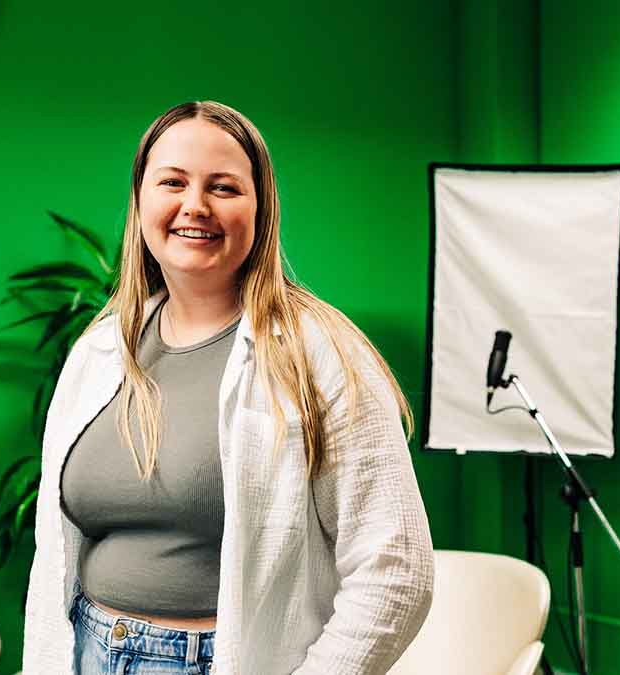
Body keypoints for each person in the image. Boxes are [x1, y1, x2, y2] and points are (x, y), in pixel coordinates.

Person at [22, 100, 434, 675]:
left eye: (224, 187)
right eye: (173, 182)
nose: (195, 205)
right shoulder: (100, 349)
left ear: (261, 209)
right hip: (88, 650)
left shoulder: (321, 352)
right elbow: (57, 547)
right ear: (141, 199)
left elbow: (398, 569)